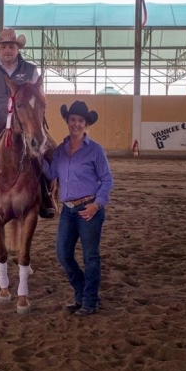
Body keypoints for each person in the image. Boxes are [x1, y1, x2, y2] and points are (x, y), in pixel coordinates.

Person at [0, 28, 56, 220]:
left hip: (27, 122)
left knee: (53, 152)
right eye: (3, 47)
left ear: (17, 49)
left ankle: (47, 195)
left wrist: (36, 120)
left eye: (11, 47)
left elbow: (39, 96)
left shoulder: (30, 70)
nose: (7, 50)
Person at [43, 101, 114, 316]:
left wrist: (96, 204)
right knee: (63, 253)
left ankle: (89, 301)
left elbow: (107, 179)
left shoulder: (95, 150)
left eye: (80, 121)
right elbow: (50, 173)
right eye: (72, 119)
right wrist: (36, 156)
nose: (76, 124)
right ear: (67, 121)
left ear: (86, 124)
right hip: (68, 210)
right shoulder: (60, 150)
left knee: (90, 256)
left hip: (88, 208)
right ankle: (83, 293)